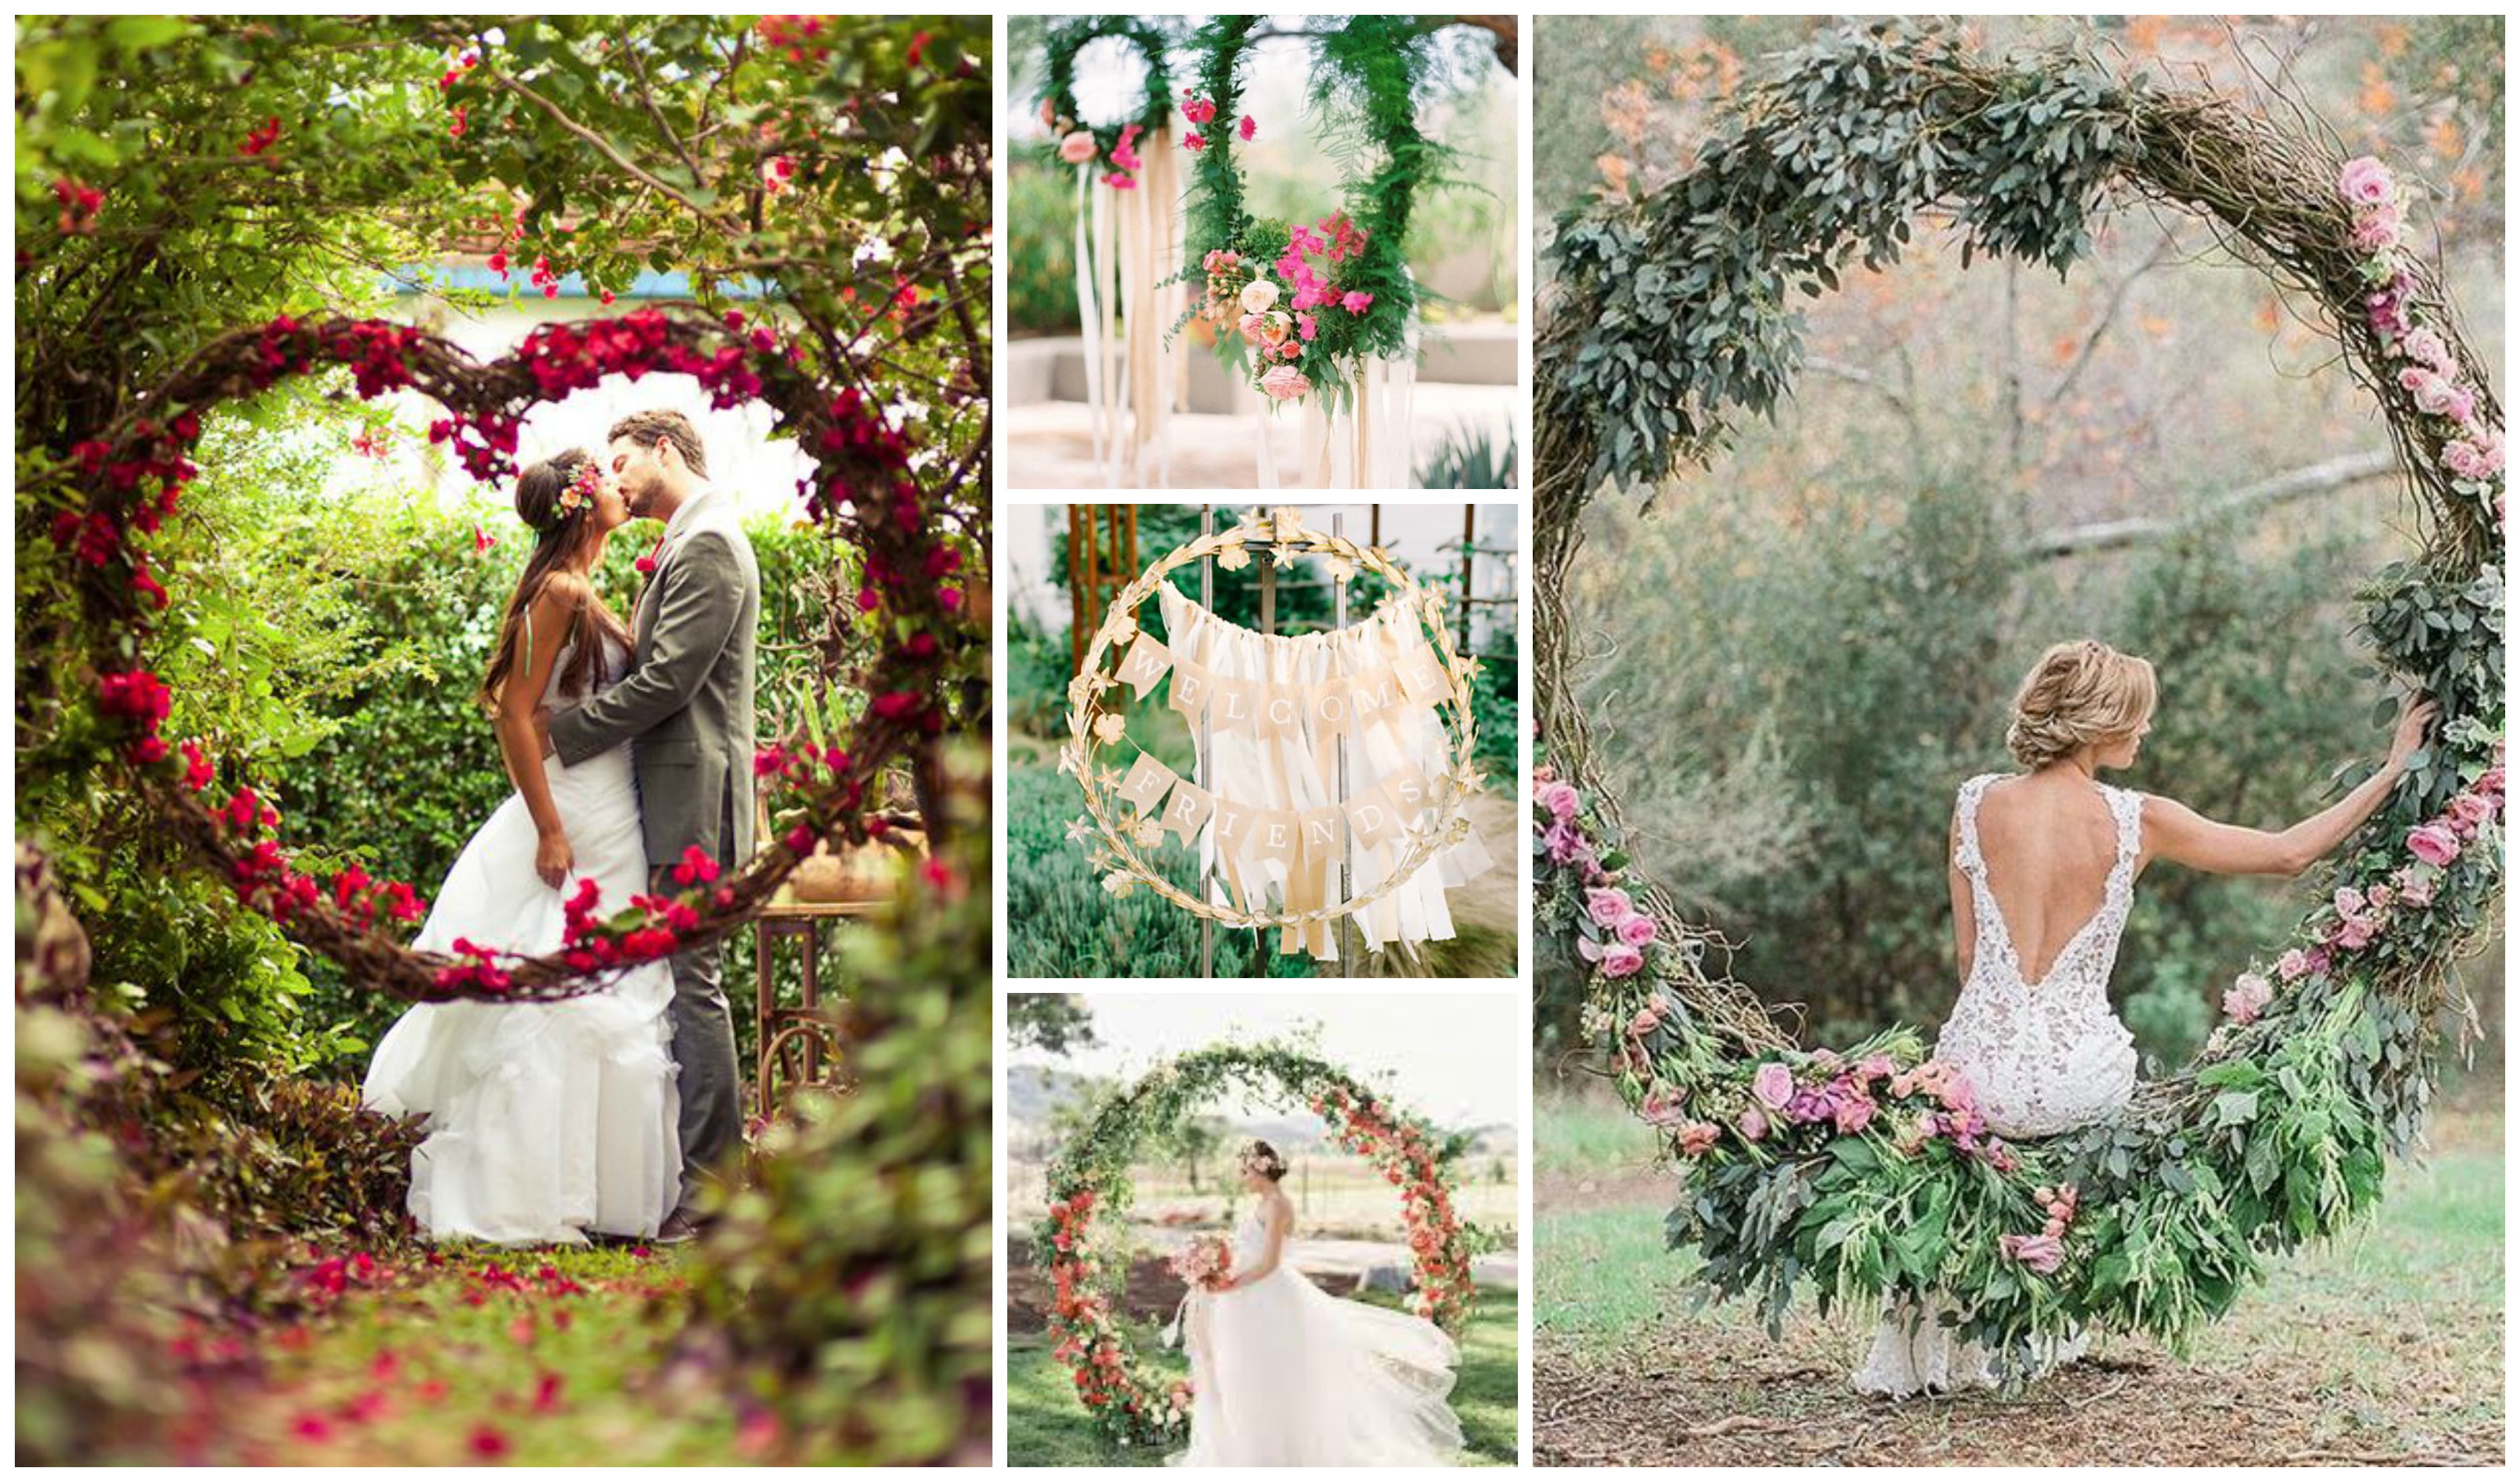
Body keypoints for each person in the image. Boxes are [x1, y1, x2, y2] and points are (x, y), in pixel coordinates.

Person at [1854, 638, 2438, 1396]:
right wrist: (2394, 769)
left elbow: (1970, 962)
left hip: (1979, 1073)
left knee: (1976, 1105)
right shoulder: (2137, 819)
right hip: (2076, 1079)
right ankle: (2038, 1310)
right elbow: (2287, 852)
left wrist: (1995, 1043)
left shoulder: (1974, 802)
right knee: (2103, 1099)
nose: (2145, 731)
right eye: (2137, 717)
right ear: (2099, 723)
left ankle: (1945, 1339)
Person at [364, 448, 679, 1243]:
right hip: (575, 812)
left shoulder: (587, 587)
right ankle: (524, 1187)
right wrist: (547, 826)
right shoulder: (560, 591)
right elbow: (513, 713)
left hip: (611, 806)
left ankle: (595, 1188)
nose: (619, 483)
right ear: (580, 502)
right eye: (605, 477)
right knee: (559, 989)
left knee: (603, 986)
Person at [539, 409, 760, 1242]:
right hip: (674, 800)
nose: (615, 478)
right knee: (681, 983)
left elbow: (668, 682)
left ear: (666, 450)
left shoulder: (709, 543)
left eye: (624, 459)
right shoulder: (687, 540)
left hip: (696, 805)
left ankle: (712, 1195)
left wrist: (558, 735)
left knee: (694, 987)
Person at [1171, 1140, 1466, 1466]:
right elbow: (1249, 1252)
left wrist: (1229, 1285)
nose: (1242, 1178)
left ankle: (1276, 1452)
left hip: (1267, 1297)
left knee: (1267, 1372)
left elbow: (1270, 1262)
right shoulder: (1263, 1203)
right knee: (1245, 1371)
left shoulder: (1278, 1205)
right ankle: (1248, 1446)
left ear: (1261, 1170)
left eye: (1245, 1171)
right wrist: (1217, 1265)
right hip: (1248, 1296)